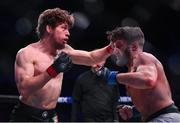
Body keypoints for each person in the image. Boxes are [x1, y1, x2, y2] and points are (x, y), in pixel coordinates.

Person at [9, 8, 114, 122]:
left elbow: (91, 58)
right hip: (27, 117)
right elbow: (24, 89)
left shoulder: (63, 51)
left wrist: (112, 46)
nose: (68, 33)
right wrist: (53, 70)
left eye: (68, 29)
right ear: (49, 28)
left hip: (51, 116)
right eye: (63, 28)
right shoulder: (26, 53)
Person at [96, 26, 180, 122]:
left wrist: (112, 76)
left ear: (134, 47)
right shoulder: (133, 72)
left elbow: (148, 80)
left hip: (165, 118)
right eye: (113, 47)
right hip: (161, 118)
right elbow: (153, 97)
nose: (114, 51)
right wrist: (134, 110)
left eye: (118, 45)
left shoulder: (143, 57)